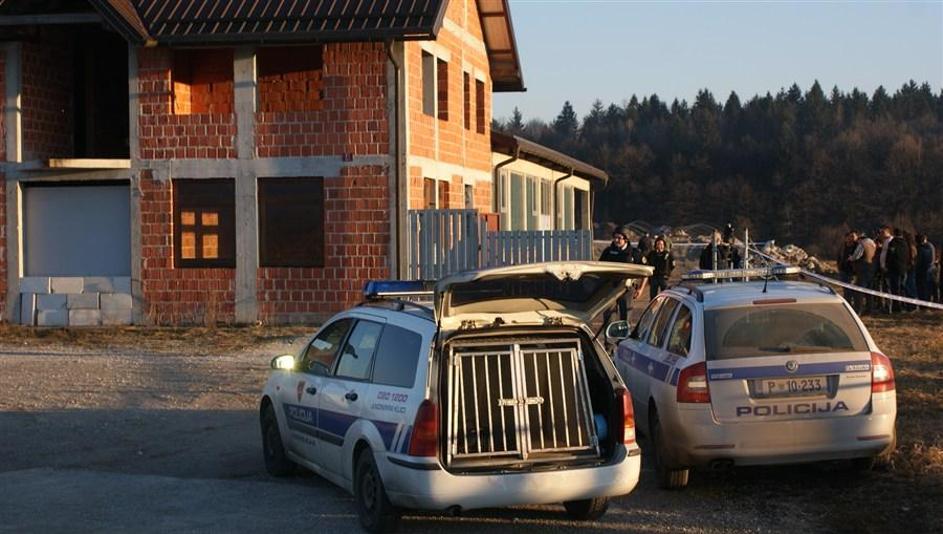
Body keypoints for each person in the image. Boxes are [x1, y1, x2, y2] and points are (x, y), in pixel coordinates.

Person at [599, 228, 645, 323]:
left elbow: (646, 271)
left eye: (619, 238)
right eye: (615, 238)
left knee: (626, 316)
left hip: (626, 288)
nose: (616, 240)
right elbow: (599, 268)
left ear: (626, 239)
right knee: (609, 316)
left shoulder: (634, 253)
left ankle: (625, 333)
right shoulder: (608, 252)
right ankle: (609, 332)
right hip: (610, 288)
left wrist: (641, 289)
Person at [879, 225, 908, 313]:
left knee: (894, 288)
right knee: (900, 288)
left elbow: (890, 255)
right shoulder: (904, 242)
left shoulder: (893, 242)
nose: (881, 234)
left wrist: (886, 266)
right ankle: (900, 306)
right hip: (902, 268)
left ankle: (895, 307)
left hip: (893, 269)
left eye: (883, 232)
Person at [848, 231, 876, 313]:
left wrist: (851, 258)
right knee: (869, 290)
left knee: (859, 290)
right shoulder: (873, 243)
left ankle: (858, 309)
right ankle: (870, 309)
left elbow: (857, 256)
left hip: (863, 268)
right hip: (871, 267)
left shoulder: (862, 244)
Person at [915, 234, 935, 302]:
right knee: (927, 287)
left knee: (923, 287)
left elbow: (920, 260)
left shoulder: (923, 248)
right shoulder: (930, 246)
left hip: (924, 270)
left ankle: (924, 300)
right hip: (928, 269)